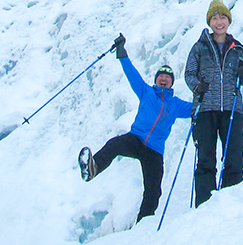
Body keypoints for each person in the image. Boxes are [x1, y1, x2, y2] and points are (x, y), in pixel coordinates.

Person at [77, 35, 194, 223]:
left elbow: (196, 108)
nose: (163, 79)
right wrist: (122, 52)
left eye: (167, 77)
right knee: (114, 144)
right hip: (136, 139)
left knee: (154, 189)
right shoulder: (146, 92)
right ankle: (93, 168)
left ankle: (142, 226)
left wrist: (204, 94)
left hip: (154, 150)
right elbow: (132, 73)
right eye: (161, 76)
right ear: (156, 80)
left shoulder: (176, 104)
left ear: (172, 82)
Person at [184, 0, 243, 206]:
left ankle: (229, 204)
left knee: (234, 158)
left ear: (229, 21)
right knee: (205, 159)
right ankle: (205, 204)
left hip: (233, 109)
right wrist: (198, 86)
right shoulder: (199, 48)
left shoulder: (239, 50)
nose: (219, 21)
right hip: (206, 108)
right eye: (215, 18)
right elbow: (189, 73)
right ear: (209, 22)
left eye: (223, 17)